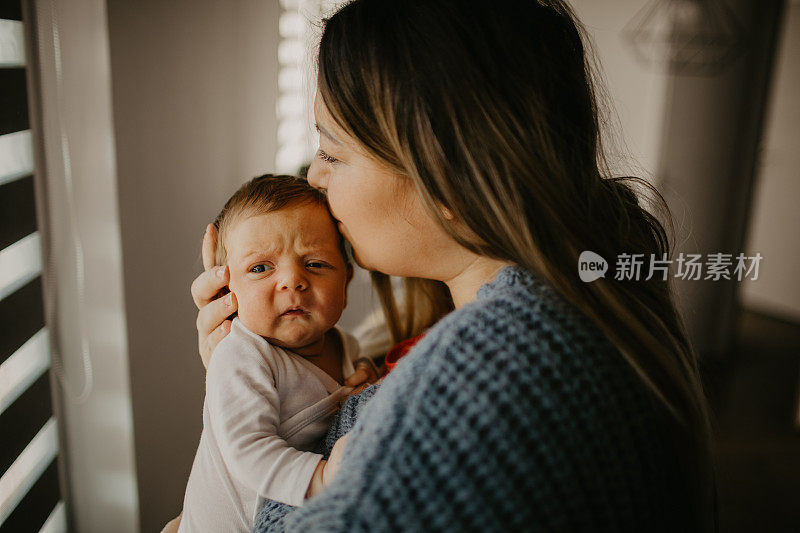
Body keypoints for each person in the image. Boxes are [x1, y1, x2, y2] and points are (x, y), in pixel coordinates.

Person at [191, 0, 717, 531]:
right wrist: (262, 378)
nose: (315, 179)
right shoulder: (578, 285)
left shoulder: (497, 375)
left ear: (443, 172)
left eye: (331, 150)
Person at [175, 175, 378, 533]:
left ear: (346, 281)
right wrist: (321, 479)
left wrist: (363, 375)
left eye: (314, 263)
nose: (291, 280)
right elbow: (248, 450)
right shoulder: (239, 355)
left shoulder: (345, 344)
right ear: (226, 290)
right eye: (260, 268)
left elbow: (350, 377)